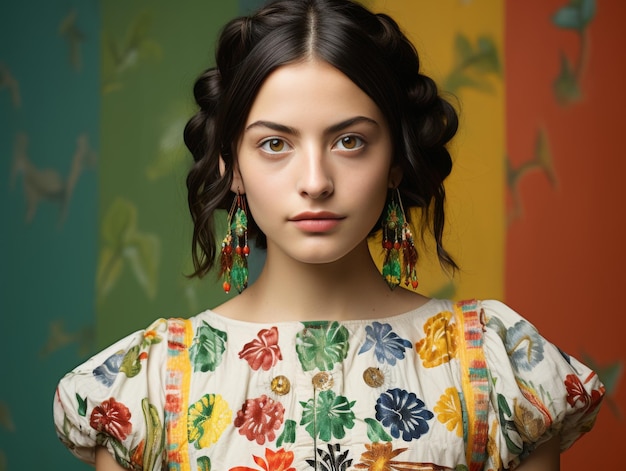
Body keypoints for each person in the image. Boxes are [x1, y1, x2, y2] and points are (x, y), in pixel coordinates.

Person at [53, 1, 604, 470]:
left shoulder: (495, 365)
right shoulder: (147, 384)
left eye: (350, 142)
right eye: (275, 144)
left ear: (396, 161)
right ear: (232, 166)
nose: (315, 182)